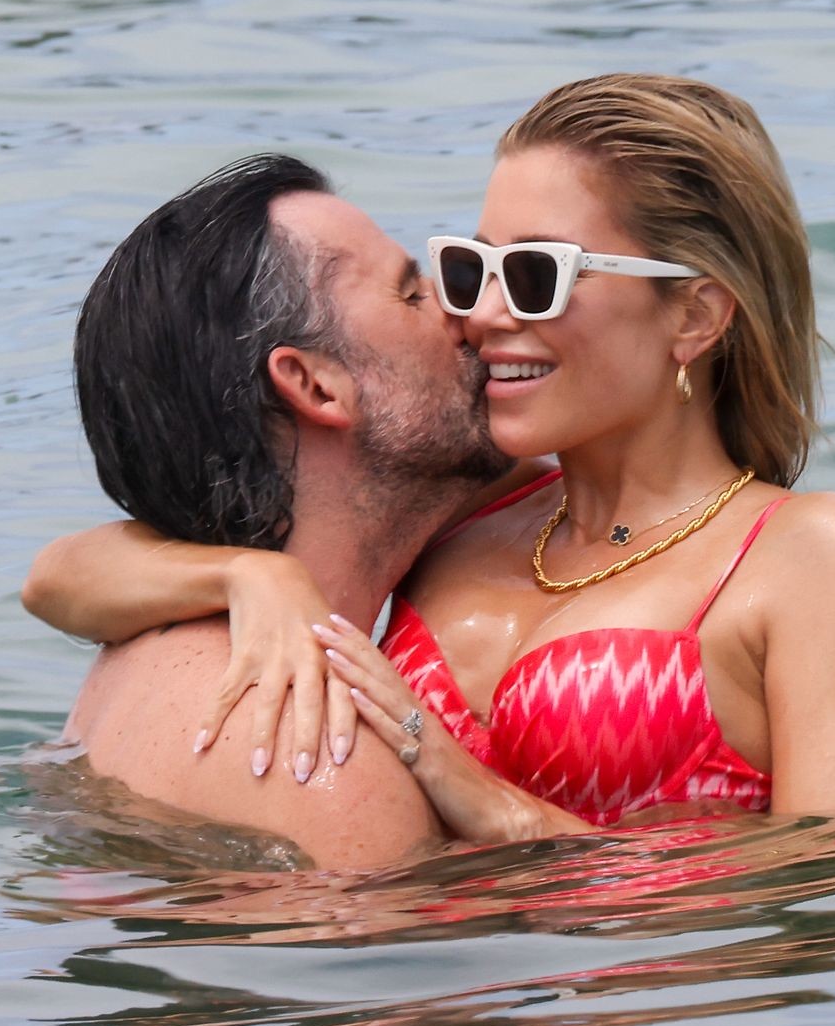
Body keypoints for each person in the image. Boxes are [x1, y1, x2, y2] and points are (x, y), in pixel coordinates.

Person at [29, 74, 835, 842]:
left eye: (536, 275)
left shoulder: (808, 552)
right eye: (472, 269)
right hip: (437, 979)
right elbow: (58, 576)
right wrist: (248, 577)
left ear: (693, 315)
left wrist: (502, 811)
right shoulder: (471, 506)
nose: (484, 314)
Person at [49, 152, 523, 867]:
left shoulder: (137, 652)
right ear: (315, 385)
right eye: (411, 295)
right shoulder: (325, 761)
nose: (467, 311)